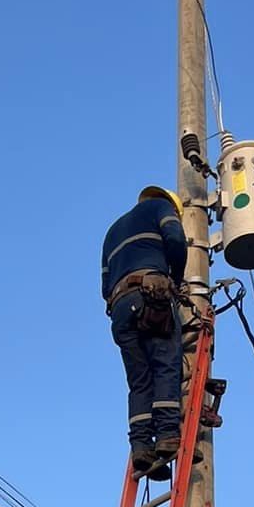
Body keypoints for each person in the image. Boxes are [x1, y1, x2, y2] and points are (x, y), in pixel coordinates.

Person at [101, 184, 188, 479]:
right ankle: (167, 435)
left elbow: (104, 284)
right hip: (151, 296)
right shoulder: (160, 208)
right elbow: (175, 239)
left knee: (140, 381)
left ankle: (141, 446)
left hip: (119, 309)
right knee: (166, 366)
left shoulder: (112, 231)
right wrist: (176, 280)